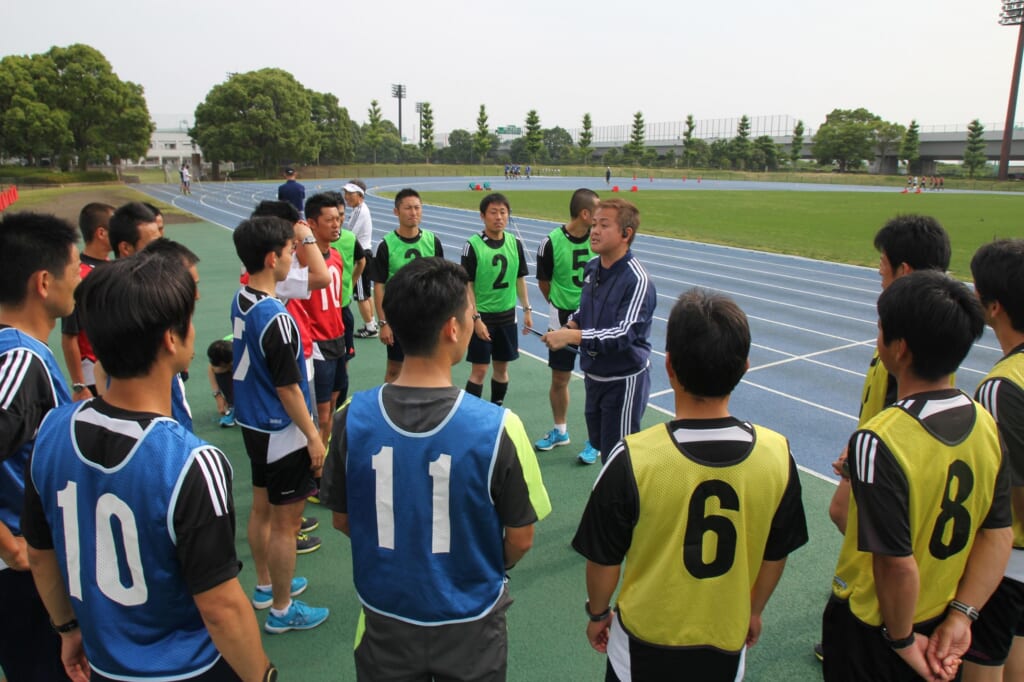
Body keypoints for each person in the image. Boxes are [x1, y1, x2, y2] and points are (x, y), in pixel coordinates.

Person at [24, 251, 276, 682]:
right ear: (170, 339)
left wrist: (66, 628)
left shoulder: (50, 431)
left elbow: (40, 552)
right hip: (187, 669)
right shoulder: (191, 461)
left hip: (106, 666)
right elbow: (220, 606)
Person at [321, 256, 551, 681]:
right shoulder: (500, 426)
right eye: (470, 312)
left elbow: (341, 519)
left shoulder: (350, 416)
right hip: (470, 619)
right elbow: (520, 538)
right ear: (452, 329)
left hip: (385, 614)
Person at [573, 288, 808, 681]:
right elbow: (776, 552)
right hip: (725, 642)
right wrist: (754, 610)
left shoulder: (633, 457)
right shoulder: (777, 454)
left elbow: (603, 559)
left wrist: (598, 614)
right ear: (745, 367)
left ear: (669, 366)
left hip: (642, 649)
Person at [822, 270, 1013, 682]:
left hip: (876, 625)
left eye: (880, 329)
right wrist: (961, 617)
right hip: (943, 615)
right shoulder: (986, 424)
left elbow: (896, 565)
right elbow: (998, 534)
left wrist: (902, 639)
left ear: (900, 348)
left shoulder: (880, 437)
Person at [231, 216, 330, 633]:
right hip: (280, 429)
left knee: (262, 509)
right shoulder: (277, 317)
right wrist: (313, 436)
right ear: (273, 259)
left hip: (253, 422)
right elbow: (289, 388)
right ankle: (282, 609)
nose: (294, 258)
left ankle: (266, 586)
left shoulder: (242, 298)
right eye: (291, 251)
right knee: (286, 524)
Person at [0, 212, 79, 681]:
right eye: (74, 268)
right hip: (26, 573)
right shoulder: (20, 358)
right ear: (44, 282)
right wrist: (10, 546)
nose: (80, 278)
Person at [542, 198, 656, 464]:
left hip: (623, 380)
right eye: (593, 224)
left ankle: (620, 492)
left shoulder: (637, 280)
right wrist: (570, 324)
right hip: (594, 376)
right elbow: (584, 310)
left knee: (619, 457)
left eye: (604, 225)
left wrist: (572, 336)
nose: (594, 231)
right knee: (601, 445)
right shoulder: (593, 266)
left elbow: (622, 334)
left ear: (626, 234)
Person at [962, 239, 1024, 681]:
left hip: (1009, 563)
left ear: (995, 307)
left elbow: (1013, 493)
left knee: (983, 666)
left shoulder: (1002, 388)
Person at [533, 188, 598, 451]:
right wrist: (558, 306)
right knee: (560, 379)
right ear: (585, 214)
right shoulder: (550, 242)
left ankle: (596, 440)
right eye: (597, 211)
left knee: (596, 380)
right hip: (560, 316)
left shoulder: (598, 239)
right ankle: (560, 431)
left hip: (593, 317)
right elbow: (544, 282)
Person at [461, 192, 532, 405]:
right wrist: (476, 318)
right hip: (483, 316)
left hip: (507, 316)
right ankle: (471, 413)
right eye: (493, 212)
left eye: (503, 212)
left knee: (502, 368)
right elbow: (467, 285)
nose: (499, 217)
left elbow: (519, 278)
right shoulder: (472, 245)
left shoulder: (514, 243)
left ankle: (496, 408)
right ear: (483, 216)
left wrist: (527, 309)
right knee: (480, 370)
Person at [373, 188, 445, 383]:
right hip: (399, 318)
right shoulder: (386, 245)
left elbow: (441, 280)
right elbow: (379, 286)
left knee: (430, 368)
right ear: (396, 212)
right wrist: (383, 323)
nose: (413, 212)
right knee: (395, 369)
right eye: (408, 208)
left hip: (427, 318)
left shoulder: (433, 241)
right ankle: (389, 401)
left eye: (417, 208)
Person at [292, 193, 346, 450]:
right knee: (320, 413)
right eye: (329, 220)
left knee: (333, 404)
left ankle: (326, 458)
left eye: (338, 218)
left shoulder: (336, 256)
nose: (336, 225)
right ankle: (317, 465)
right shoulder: (300, 260)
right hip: (316, 342)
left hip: (338, 337)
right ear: (312, 223)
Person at [61, 202, 112, 400]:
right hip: (92, 375)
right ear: (101, 233)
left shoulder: (112, 267)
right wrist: (79, 385)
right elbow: (69, 336)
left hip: (119, 370)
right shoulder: (80, 277)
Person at [328, 191, 365, 378]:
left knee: (344, 359)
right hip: (320, 312)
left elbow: (361, 261)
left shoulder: (350, 238)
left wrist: (351, 283)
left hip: (342, 308)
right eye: (332, 217)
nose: (338, 221)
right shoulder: (310, 241)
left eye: (341, 215)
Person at [344, 180, 378, 339]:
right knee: (365, 292)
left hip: (361, 255)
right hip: (365, 253)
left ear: (360, 195)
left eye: (350, 194)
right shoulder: (359, 209)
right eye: (346, 193)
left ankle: (370, 328)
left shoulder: (360, 211)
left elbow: (350, 235)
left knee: (361, 295)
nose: (346, 197)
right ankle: (372, 323)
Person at [207, 338, 235, 428]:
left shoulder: (245, 349)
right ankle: (233, 406)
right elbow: (212, 368)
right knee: (220, 371)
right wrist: (218, 396)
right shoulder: (221, 351)